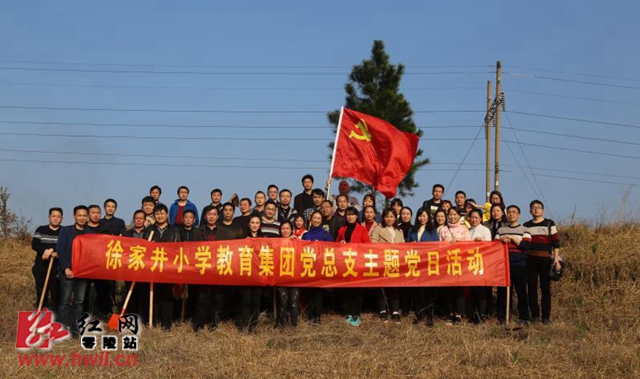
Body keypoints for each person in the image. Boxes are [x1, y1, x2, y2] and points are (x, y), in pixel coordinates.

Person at [57, 205, 92, 338]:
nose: (82, 218)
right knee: (65, 301)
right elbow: (61, 249)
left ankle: (75, 331)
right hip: (68, 271)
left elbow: (92, 253)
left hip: (83, 273)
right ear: (74, 216)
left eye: (84, 215)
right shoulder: (66, 231)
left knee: (79, 302)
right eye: (79, 215)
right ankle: (60, 329)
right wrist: (66, 267)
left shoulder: (90, 233)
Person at [144, 203, 181, 330]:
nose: (159, 216)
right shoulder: (149, 230)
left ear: (167, 215)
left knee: (167, 296)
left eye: (162, 213)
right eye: (157, 214)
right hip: (153, 267)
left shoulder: (174, 230)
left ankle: (166, 323)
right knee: (153, 294)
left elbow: (178, 249)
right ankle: (153, 321)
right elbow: (144, 248)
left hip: (168, 267)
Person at [524, 200, 561, 325]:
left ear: (542, 210)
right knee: (532, 288)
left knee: (545, 289)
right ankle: (535, 315)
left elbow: (556, 243)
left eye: (539, 207)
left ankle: (546, 317)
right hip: (530, 260)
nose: (536, 209)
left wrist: (556, 260)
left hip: (546, 260)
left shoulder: (549, 224)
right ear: (530, 211)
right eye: (533, 207)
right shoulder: (526, 225)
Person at [496, 205, 531, 325]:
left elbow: (526, 246)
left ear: (519, 215)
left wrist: (512, 238)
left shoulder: (524, 230)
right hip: (504, 265)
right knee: (503, 292)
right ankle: (503, 317)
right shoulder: (501, 230)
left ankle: (524, 317)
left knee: (521, 291)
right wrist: (501, 240)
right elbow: (494, 247)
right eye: (509, 212)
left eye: (514, 212)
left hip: (520, 264)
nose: (511, 214)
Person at [337, 207, 371, 327]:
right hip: (346, 263)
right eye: (348, 215)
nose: (350, 217)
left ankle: (357, 314)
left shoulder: (362, 229)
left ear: (357, 216)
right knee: (347, 290)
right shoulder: (342, 229)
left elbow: (368, 245)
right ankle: (348, 313)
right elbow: (336, 245)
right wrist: (340, 244)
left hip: (358, 263)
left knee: (357, 290)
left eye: (353, 215)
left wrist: (356, 246)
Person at [370, 209, 405, 323]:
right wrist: (384, 247)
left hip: (396, 261)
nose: (389, 219)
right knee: (382, 286)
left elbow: (403, 245)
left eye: (391, 217)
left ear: (395, 218)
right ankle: (382, 310)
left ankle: (395, 311)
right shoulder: (378, 229)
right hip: (382, 260)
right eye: (387, 217)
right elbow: (372, 241)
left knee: (395, 286)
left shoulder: (399, 231)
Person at [407, 207, 439, 326]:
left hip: (428, 264)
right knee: (417, 292)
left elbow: (436, 246)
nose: (422, 218)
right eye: (420, 216)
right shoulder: (412, 230)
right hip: (415, 264)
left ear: (428, 217)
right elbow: (405, 245)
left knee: (429, 292)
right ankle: (418, 315)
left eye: (424, 215)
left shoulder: (432, 230)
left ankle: (430, 317)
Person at [438, 207, 471, 325]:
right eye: (450, 215)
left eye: (455, 214)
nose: (452, 217)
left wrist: (458, 241)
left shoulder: (464, 229)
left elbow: (469, 245)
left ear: (458, 216)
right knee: (448, 289)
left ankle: (458, 314)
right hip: (447, 263)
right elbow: (439, 246)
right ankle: (450, 313)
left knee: (459, 289)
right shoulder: (442, 229)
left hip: (460, 263)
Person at [301, 211, 332, 325]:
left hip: (320, 267)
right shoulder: (306, 235)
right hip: (308, 267)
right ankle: (310, 317)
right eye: (314, 218)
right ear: (311, 219)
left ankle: (317, 318)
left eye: (318, 218)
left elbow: (331, 250)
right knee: (309, 293)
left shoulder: (326, 235)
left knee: (318, 294)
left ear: (321, 220)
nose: (316, 220)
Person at [31, 207, 63, 314]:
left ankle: (55, 317)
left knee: (56, 293)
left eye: (58, 217)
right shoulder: (41, 229)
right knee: (41, 292)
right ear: (49, 217)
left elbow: (64, 246)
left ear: (62, 218)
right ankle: (41, 315)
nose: (56, 219)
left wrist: (52, 250)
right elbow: (35, 244)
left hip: (57, 266)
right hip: (41, 264)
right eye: (53, 216)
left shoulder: (64, 231)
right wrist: (46, 251)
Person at [121, 210, 148, 323]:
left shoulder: (149, 233)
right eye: (136, 218)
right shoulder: (127, 233)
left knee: (143, 295)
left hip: (144, 268)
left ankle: (142, 319)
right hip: (130, 268)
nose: (138, 220)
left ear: (144, 220)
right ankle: (130, 318)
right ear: (134, 219)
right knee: (130, 294)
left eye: (141, 218)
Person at [240, 215, 264, 333]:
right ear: (249, 224)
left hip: (258, 275)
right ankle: (244, 325)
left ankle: (254, 325)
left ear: (260, 225)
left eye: (257, 223)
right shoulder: (241, 238)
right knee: (245, 301)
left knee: (256, 302)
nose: (255, 225)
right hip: (245, 274)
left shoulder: (264, 239)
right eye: (252, 222)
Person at [467, 209, 492, 323]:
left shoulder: (485, 230)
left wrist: (481, 242)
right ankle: (473, 314)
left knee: (481, 290)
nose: (474, 219)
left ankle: (482, 314)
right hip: (470, 264)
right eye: (472, 217)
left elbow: (489, 246)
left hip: (481, 263)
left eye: (476, 217)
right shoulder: (467, 230)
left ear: (481, 219)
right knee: (472, 290)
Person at [276, 221, 300, 328]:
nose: (285, 231)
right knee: (283, 301)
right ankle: (282, 325)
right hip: (280, 277)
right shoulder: (276, 242)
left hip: (295, 277)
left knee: (294, 301)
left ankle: (293, 325)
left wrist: (298, 241)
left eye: (287, 228)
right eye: (283, 229)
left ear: (291, 230)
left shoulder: (297, 242)